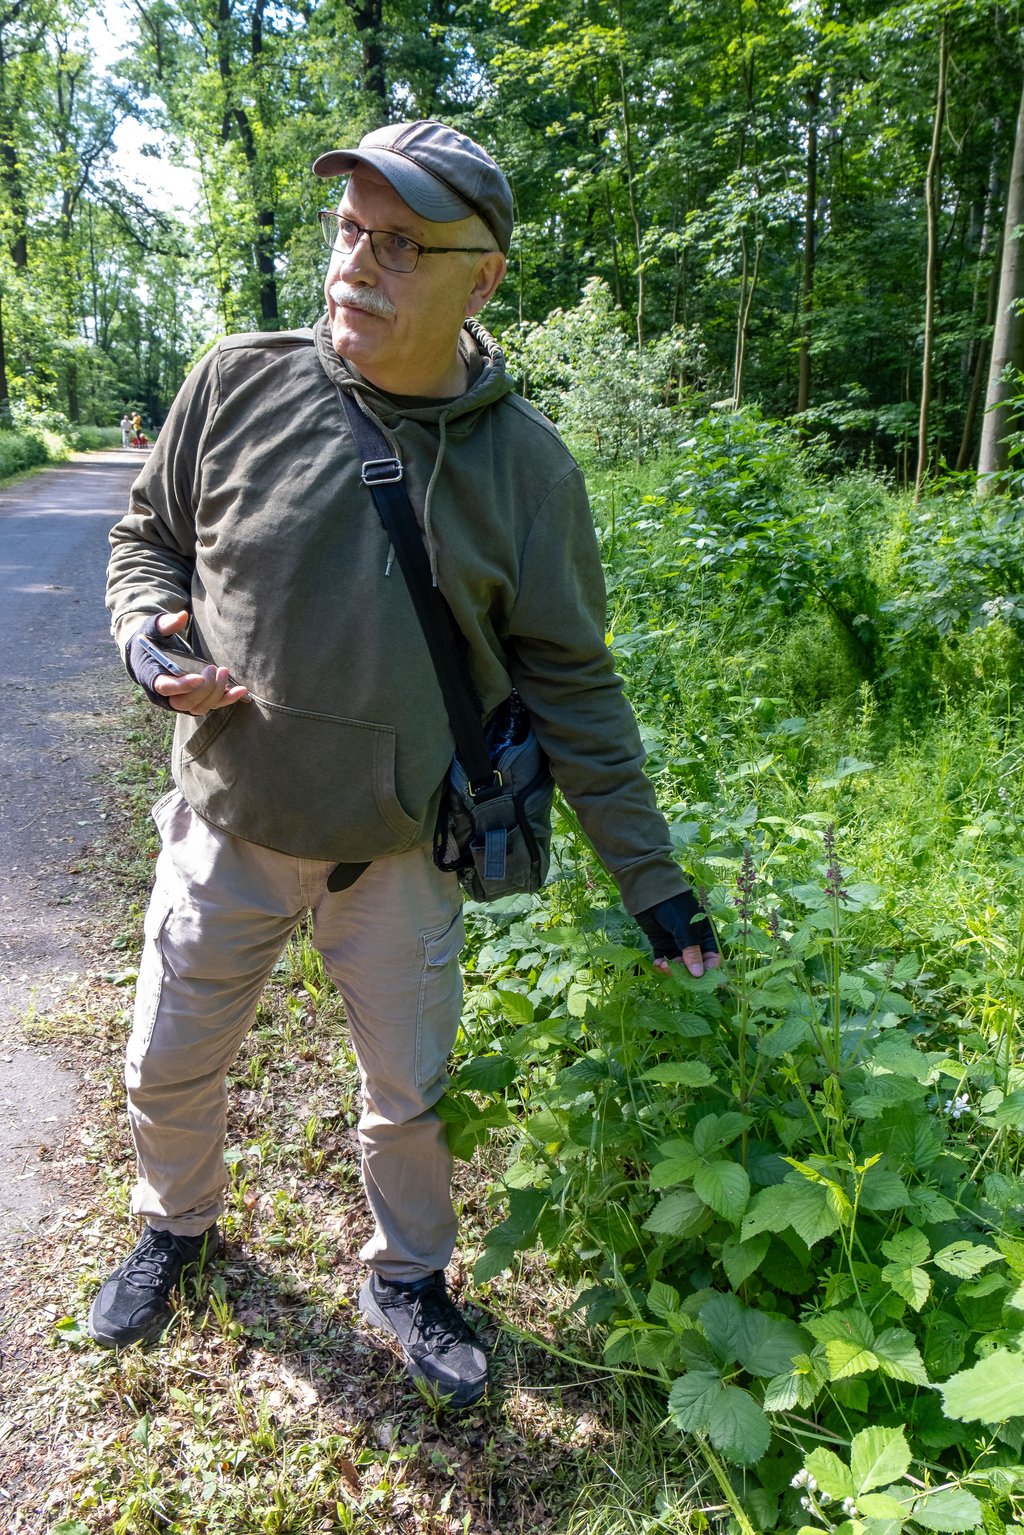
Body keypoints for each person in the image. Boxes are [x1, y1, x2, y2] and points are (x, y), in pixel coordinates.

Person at [91, 119, 719, 1408]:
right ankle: (177, 1224)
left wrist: (655, 889)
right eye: (348, 232)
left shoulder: (527, 473)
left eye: (400, 245)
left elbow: (576, 692)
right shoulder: (237, 382)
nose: (355, 267)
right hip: (225, 827)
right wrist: (148, 645)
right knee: (166, 1060)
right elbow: (145, 541)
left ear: (481, 277)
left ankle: (411, 1272)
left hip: (403, 859)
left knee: (411, 1097)